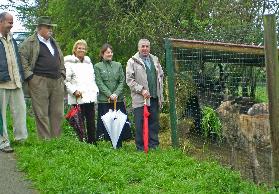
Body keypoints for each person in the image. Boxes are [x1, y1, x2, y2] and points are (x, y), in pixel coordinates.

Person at [19, 16, 65, 139]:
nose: (51, 30)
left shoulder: (53, 42)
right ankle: (45, 141)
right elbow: (22, 60)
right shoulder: (29, 42)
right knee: (41, 113)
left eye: (51, 27)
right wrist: (31, 78)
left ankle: (57, 140)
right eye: (48, 27)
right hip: (39, 81)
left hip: (57, 81)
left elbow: (60, 59)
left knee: (58, 113)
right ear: (40, 28)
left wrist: (62, 74)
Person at [126, 39, 164, 151]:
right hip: (140, 99)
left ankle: (154, 145)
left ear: (149, 48)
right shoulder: (132, 61)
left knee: (154, 122)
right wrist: (141, 90)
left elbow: (161, 75)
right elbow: (129, 80)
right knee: (140, 124)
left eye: (147, 46)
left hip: (154, 97)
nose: (145, 48)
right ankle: (140, 147)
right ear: (138, 48)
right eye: (143, 46)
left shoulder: (155, 60)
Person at [0, 12, 28, 153]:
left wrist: (21, 77)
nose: (11, 25)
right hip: (1, 83)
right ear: (1, 22)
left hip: (15, 81)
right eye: (9, 22)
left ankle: (21, 138)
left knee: (20, 110)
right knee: (1, 115)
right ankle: (3, 141)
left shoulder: (12, 39)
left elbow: (16, 61)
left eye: (12, 22)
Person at [94, 43, 131, 148]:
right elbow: (99, 82)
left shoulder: (118, 65)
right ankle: (108, 146)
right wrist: (110, 94)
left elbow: (122, 81)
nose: (109, 54)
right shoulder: (97, 66)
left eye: (111, 52)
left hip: (117, 100)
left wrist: (116, 94)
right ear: (102, 54)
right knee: (107, 124)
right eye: (107, 52)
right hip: (104, 101)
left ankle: (118, 145)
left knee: (118, 123)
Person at [64, 39, 99, 144]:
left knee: (91, 120)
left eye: (83, 48)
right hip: (78, 97)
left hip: (89, 96)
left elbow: (92, 79)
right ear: (75, 49)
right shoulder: (69, 63)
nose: (81, 50)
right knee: (79, 121)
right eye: (79, 48)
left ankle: (92, 141)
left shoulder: (88, 63)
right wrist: (74, 91)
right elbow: (65, 80)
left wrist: (95, 90)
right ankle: (81, 142)